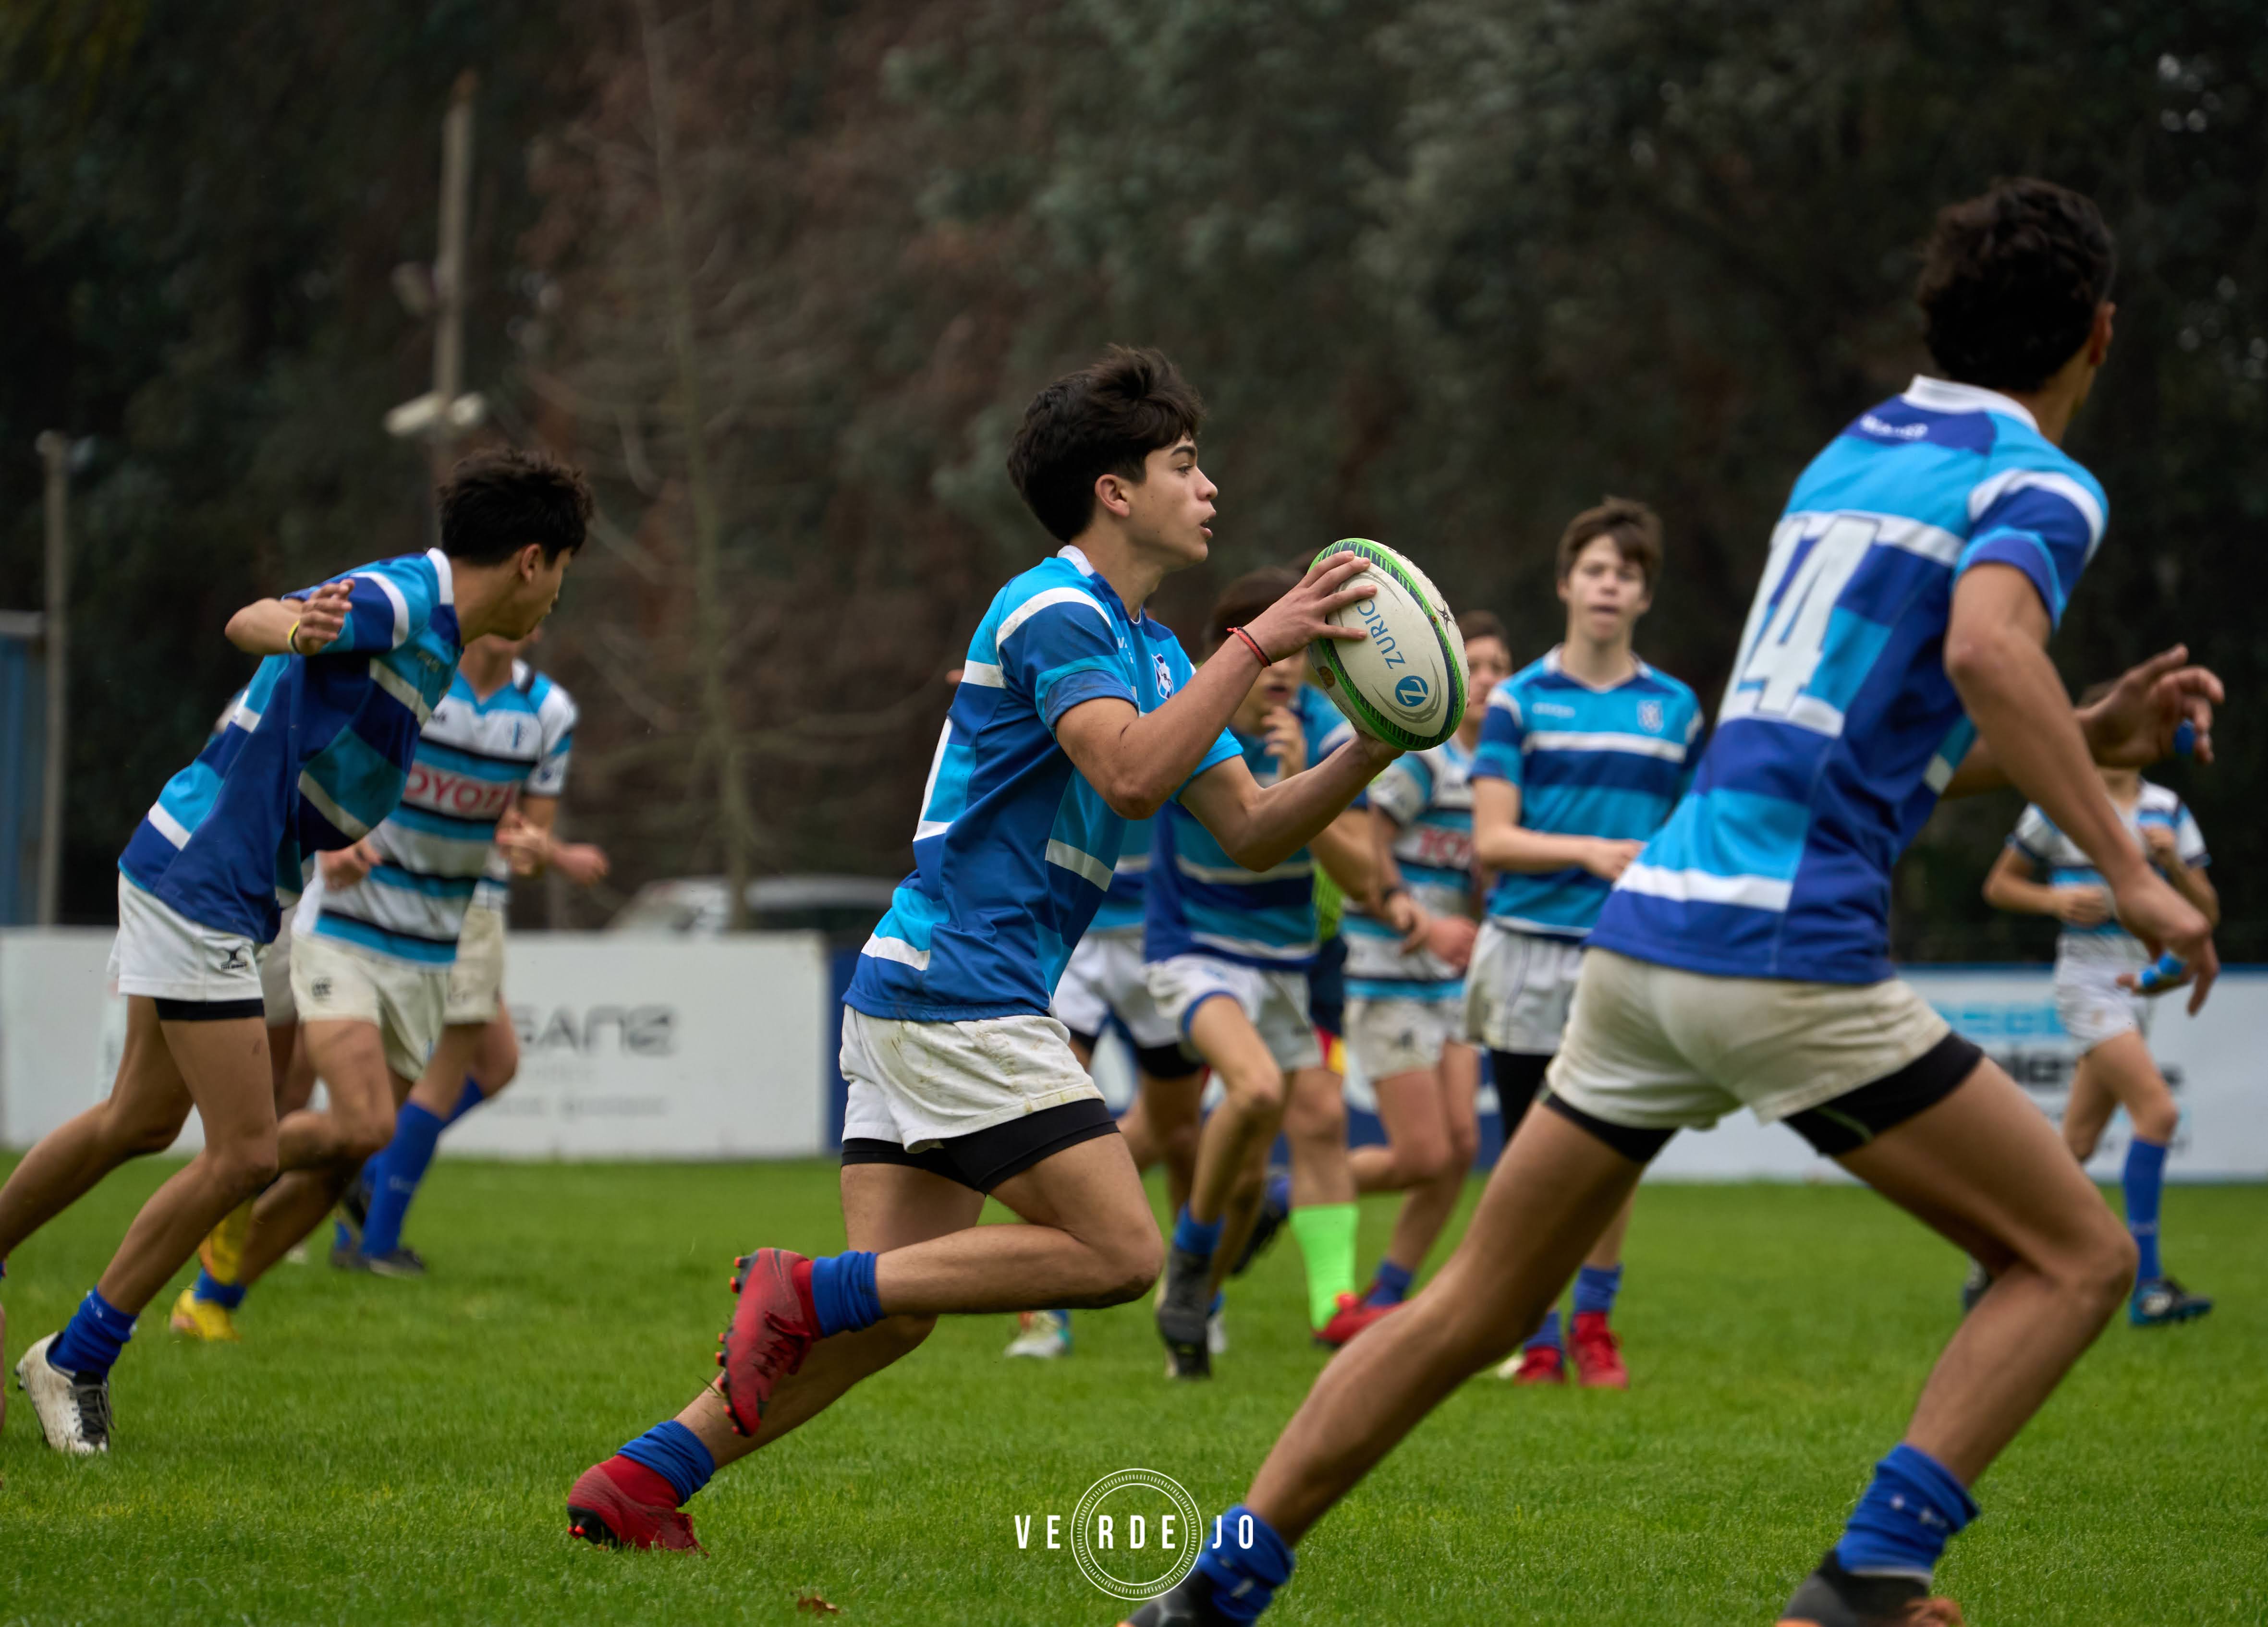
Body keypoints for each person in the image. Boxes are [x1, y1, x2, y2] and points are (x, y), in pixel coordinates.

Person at [1117, 179, 2223, 1627]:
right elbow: (1982, 657)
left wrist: (2088, 731)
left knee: (1472, 1306)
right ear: (2096, 333)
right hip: (1784, 951)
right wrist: (2128, 862)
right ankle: (1864, 1581)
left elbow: (1887, 725)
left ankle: (1206, 1597)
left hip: (1645, 945)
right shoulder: (2037, 483)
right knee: (2074, 1254)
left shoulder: (1850, 456)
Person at [563, 345, 1396, 1552]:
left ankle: (643, 1479)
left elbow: (1256, 829)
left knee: (893, 1314)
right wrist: (1258, 646)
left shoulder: (1153, 647)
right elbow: (1123, 776)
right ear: (1114, 491)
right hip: (964, 988)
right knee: (1117, 1252)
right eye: (1182, 462)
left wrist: (1375, 740)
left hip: (922, 986)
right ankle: (797, 1288)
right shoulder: (1054, 608)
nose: (1208, 486)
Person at [1, 447, 588, 1453]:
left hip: (215, 866)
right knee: (247, 1151)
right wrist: (294, 622)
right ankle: (77, 1355)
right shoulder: (409, 599)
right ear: (533, 558)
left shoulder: (438, 622)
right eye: (567, 568)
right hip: (207, 882)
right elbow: (254, 619)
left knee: (140, 1119)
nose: (561, 597)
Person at [1463, 503, 1702, 1389]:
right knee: (1530, 1155)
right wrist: (1589, 851)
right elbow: (1491, 840)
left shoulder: (1674, 708)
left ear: (1643, 595)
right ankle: (1530, 1331)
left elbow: (1686, 836)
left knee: (1612, 1153)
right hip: (1527, 950)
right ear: (1566, 583)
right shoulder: (1519, 701)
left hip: (1624, 955)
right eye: (1596, 568)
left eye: (1628, 573)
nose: (1610, 584)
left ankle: (1593, 1322)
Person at [1143, 569, 1388, 1378]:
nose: (1281, 663)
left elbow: (1362, 879)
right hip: (1195, 950)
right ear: (1230, 651)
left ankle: (1195, 1311)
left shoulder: (1324, 730)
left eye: (1298, 647)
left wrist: (1301, 792)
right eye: (1267, 642)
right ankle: (1186, 1262)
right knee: (1249, 1091)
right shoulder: (1194, 720)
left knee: (1249, 1179)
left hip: (1286, 966)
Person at [334, 632, 608, 1277]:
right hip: (439, 900)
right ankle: (375, 1239)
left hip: (476, 898)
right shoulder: (421, 683)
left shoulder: (544, 710)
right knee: (445, 1070)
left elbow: (522, 834)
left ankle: (367, 1184)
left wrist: (548, 854)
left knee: (498, 1061)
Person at [1980, 745, 2216, 1326]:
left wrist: (2179, 870)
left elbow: (2206, 911)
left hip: (2141, 982)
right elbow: (1999, 886)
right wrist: (2053, 898)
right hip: (2087, 982)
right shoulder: (2059, 804)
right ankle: (2149, 1285)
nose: (2129, 738)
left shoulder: (2168, 808)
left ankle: (1993, 1256)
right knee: (2157, 1114)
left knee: (2075, 1146)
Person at [1340, 611, 1513, 1312]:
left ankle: (1386, 1297)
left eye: (1500, 668)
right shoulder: (1427, 760)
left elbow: (1478, 880)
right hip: (1389, 974)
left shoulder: (1498, 777)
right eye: (1473, 666)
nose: (1487, 682)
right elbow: (1367, 845)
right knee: (1420, 1157)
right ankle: (1292, 1190)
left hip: (1451, 985)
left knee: (1462, 1147)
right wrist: (1412, 915)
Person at [1012, 809, 1207, 1360]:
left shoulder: (1194, 721)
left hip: (1159, 937)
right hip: (1072, 935)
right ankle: (1046, 1312)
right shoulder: (1064, 717)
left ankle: (1192, 1297)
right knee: (1042, 1123)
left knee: (1180, 1134)